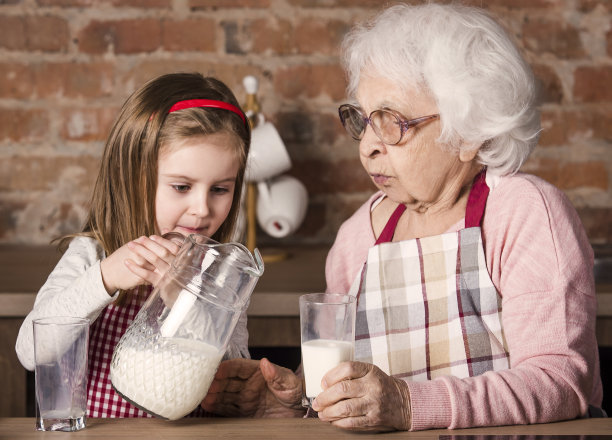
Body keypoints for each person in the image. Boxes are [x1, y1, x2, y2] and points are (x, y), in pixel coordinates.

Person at [201, 2, 605, 431]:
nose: (367, 147)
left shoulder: (522, 213)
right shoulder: (357, 238)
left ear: (467, 132)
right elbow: (340, 395)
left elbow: (560, 381)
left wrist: (409, 404)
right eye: (363, 119)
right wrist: (288, 400)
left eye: (391, 121)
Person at [15, 72, 251, 418]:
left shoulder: (222, 277)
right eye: (182, 187)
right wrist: (105, 277)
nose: (202, 209)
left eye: (220, 189)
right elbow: (30, 352)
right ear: (135, 178)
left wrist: (184, 299)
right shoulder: (94, 254)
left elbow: (234, 374)